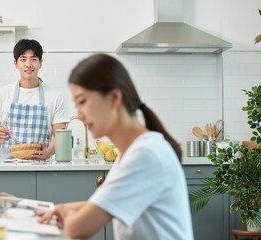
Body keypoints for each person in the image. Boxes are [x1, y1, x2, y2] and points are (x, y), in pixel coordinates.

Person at [35, 54, 194, 240]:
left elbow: (76, 229)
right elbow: (100, 204)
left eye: (82, 102)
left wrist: (61, 211)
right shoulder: (132, 152)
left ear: (114, 98)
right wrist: (29, 208)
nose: (79, 115)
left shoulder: (145, 155)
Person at [0, 39, 69, 162]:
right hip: (7, 167)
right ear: (15, 63)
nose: (28, 64)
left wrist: (47, 153)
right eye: (23, 59)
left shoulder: (55, 97)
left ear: (40, 63)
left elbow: (60, 136)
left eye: (33, 59)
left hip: (41, 166)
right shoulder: (2, 94)